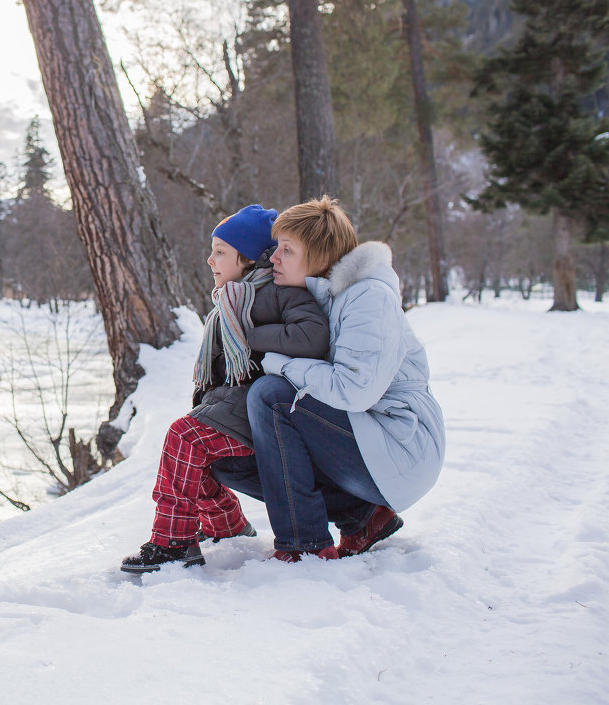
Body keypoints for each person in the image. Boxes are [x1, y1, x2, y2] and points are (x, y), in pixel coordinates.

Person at [214, 196, 446, 562]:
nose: (273, 258)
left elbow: (353, 390)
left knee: (272, 396)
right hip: (368, 439)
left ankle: (303, 544)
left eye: (286, 250)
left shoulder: (368, 297)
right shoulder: (319, 297)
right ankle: (363, 517)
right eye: (276, 248)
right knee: (232, 459)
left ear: (320, 255)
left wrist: (279, 363)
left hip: (402, 446)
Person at [120, 204, 330, 573]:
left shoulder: (279, 292)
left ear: (248, 258)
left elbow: (312, 335)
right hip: (235, 404)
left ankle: (173, 543)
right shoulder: (234, 299)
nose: (209, 259)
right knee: (190, 453)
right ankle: (228, 529)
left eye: (220, 251)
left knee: (185, 439)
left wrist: (253, 336)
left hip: (264, 410)